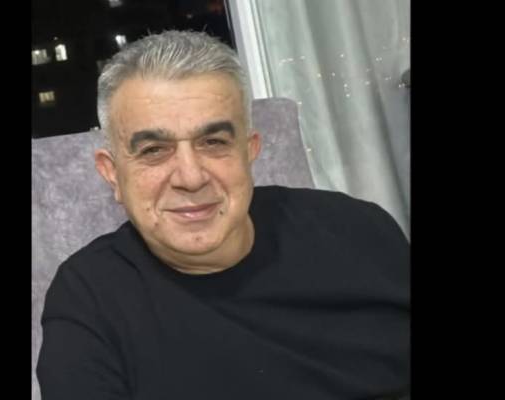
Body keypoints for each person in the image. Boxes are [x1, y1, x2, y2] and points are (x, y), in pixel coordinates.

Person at [37, 30, 409, 400]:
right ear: (112, 173)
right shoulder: (89, 300)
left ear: (250, 151)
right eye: (153, 150)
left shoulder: (358, 230)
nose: (191, 177)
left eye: (213, 142)